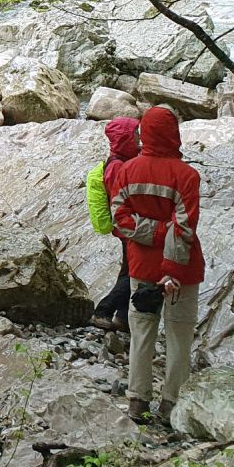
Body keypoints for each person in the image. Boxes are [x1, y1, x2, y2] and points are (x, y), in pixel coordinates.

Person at [109, 106, 205, 428]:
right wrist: (170, 265)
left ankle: (137, 400)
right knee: (179, 336)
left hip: (140, 267)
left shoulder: (126, 171)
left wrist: (149, 233)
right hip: (181, 271)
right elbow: (184, 229)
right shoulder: (187, 176)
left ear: (143, 134)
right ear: (174, 133)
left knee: (141, 333)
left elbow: (119, 220)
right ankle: (170, 404)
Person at [86, 117, 140, 332]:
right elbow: (121, 197)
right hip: (129, 226)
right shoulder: (117, 165)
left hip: (127, 225)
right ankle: (103, 311)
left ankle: (123, 316)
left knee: (128, 269)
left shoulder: (120, 161)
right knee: (133, 272)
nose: (139, 138)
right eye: (135, 134)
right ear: (125, 138)